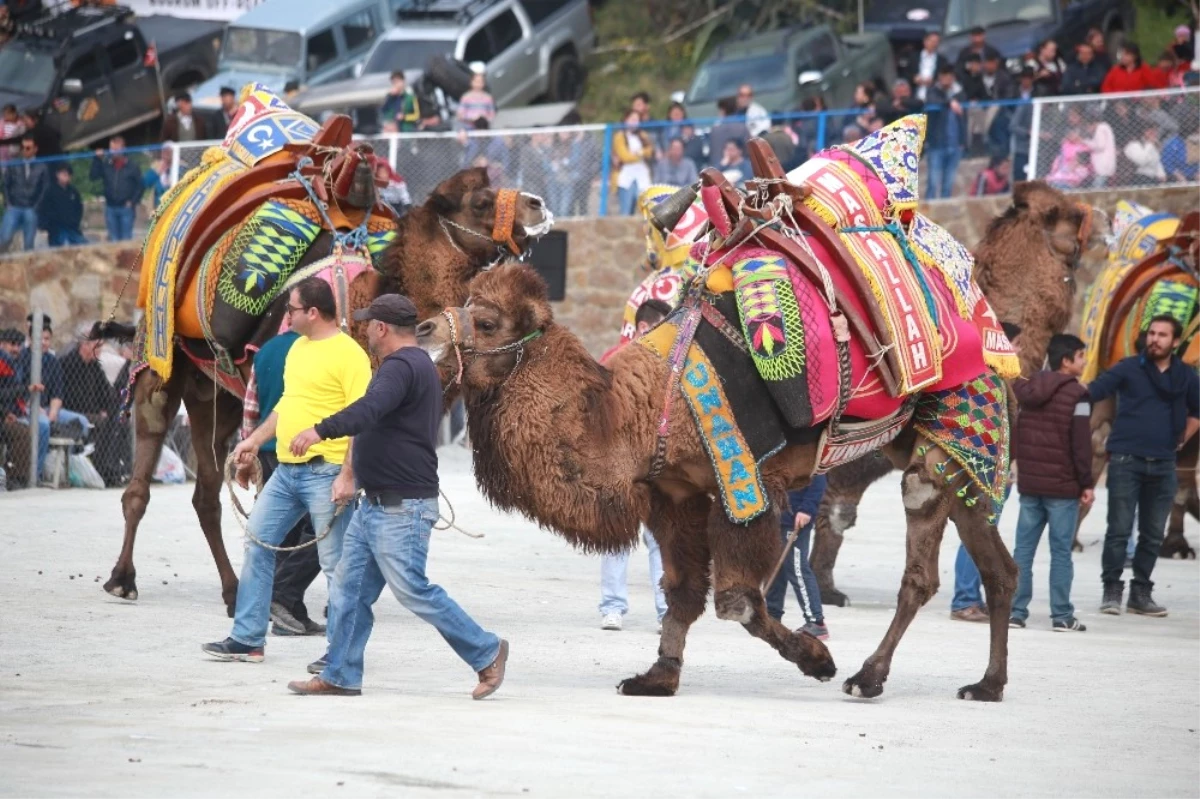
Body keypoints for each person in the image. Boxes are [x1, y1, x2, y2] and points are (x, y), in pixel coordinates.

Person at [286, 294, 509, 699]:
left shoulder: (400, 367)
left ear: (382, 328)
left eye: (369, 323)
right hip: (377, 505)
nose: (366, 329)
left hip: (401, 507)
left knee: (412, 589)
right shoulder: (414, 365)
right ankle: (340, 674)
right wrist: (351, 474)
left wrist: (319, 430)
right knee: (348, 591)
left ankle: (487, 650)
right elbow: (375, 418)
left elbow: (368, 409)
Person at [202, 277, 370, 663]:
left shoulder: (350, 355)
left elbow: (362, 419)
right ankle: (248, 638)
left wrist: (348, 474)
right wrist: (254, 441)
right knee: (258, 543)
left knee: (335, 565)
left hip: (327, 471)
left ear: (312, 312)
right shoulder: (297, 349)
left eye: (291, 309)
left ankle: (341, 655)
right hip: (286, 472)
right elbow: (286, 407)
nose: (286, 316)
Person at [1088, 315, 1200, 617]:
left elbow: (1197, 412)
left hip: (1164, 464)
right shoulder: (1128, 368)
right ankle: (1112, 589)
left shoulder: (1186, 376)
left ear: (1175, 342)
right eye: (1151, 333)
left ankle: (1141, 593)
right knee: (1119, 530)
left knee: (1152, 534)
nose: (1155, 339)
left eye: (1163, 335)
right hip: (1126, 461)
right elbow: (1093, 392)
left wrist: (1181, 440)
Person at [239, 329, 326, 637]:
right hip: (305, 452)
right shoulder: (320, 349)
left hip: (265, 454)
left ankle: (282, 611)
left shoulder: (264, 352)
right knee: (317, 533)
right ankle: (284, 599)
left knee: (273, 537)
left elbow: (250, 408)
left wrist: (246, 452)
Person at [1008, 334, 1093, 632]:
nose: (1084, 362)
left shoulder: (1027, 388)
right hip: (1063, 489)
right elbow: (1081, 444)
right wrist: (1087, 483)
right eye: (1081, 356)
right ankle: (1061, 616)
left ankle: (1016, 612)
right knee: (1060, 553)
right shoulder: (1078, 396)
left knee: (1023, 552)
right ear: (1067, 361)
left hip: (1030, 486)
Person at [598, 300, 672, 632]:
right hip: (619, 464)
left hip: (658, 464)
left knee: (659, 539)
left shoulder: (670, 363)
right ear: (644, 328)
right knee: (617, 536)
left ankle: (665, 609)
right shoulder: (613, 361)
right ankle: (612, 607)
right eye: (663, 328)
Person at [952, 321, 1021, 622]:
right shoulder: (987, 382)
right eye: (1016, 344)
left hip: (992, 471)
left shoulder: (991, 378)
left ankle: (969, 597)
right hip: (986, 472)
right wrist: (1000, 469)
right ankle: (965, 599)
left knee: (980, 532)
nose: (1019, 351)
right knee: (977, 532)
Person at [766, 475, 829, 640]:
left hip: (796, 519)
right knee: (775, 567)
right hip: (776, 519)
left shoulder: (808, 452)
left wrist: (807, 509)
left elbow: (819, 480)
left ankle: (816, 622)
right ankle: (772, 616)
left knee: (797, 569)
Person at [923, 66, 966, 200]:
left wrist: (963, 141)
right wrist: (949, 102)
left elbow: (964, 115)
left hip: (954, 145)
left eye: (949, 75)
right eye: (944, 75)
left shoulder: (959, 93)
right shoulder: (933, 92)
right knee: (933, 183)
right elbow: (933, 101)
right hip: (937, 145)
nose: (946, 78)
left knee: (948, 184)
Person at [90, 137, 143, 242]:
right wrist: (97, 159)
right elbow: (93, 176)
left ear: (123, 149)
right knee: (113, 240)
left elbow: (140, 186)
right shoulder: (106, 165)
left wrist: (132, 202)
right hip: (111, 207)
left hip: (126, 208)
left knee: (126, 240)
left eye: (116, 149)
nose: (113, 152)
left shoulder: (132, 166)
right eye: (112, 149)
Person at [0, 135, 47, 252]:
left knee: (29, 243)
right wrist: (8, 203)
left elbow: (44, 189)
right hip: (14, 206)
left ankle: (26, 267)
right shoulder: (13, 164)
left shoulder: (42, 166)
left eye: (28, 148)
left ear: (35, 149)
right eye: (23, 147)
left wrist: (36, 206)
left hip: (30, 207)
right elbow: (5, 184)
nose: (24, 150)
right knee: (4, 238)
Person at [612, 109, 654, 215]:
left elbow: (649, 151)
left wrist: (639, 153)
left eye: (637, 120)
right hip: (626, 176)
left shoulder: (642, 135)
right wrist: (639, 156)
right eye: (632, 119)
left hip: (642, 175)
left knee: (645, 209)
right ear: (626, 120)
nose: (634, 122)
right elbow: (625, 156)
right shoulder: (620, 136)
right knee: (626, 211)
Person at [40, 164, 86, 247]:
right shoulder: (50, 191)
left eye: (68, 174)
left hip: (72, 228)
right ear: (57, 175)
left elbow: (79, 208)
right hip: (56, 229)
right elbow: (44, 210)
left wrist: (75, 222)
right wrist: (49, 226)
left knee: (83, 245)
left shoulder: (74, 192)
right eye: (63, 173)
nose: (66, 176)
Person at [911, 31, 951, 102]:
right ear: (925, 42)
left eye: (936, 42)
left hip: (934, 96)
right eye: (932, 41)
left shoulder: (942, 60)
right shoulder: (914, 57)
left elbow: (946, 78)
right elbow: (906, 74)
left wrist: (934, 80)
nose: (934, 44)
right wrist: (914, 78)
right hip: (915, 94)